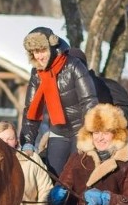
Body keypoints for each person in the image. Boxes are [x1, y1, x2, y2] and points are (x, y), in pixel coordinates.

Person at [20, 27, 98, 177]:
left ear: (52, 46)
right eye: (35, 52)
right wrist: (28, 142)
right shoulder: (37, 73)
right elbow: (31, 109)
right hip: (58, 131)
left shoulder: (73, 66)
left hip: (80, 129)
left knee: (78, 176)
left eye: (42, 50)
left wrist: (87, 135)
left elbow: (89, 102)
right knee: (53, 176)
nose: (39, 56)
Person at [0, 121, 53, 205]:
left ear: (16, 141)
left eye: (10, 139)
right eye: (1, 139)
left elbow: (46, 190)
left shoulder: (32, 159)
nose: (5, 143)